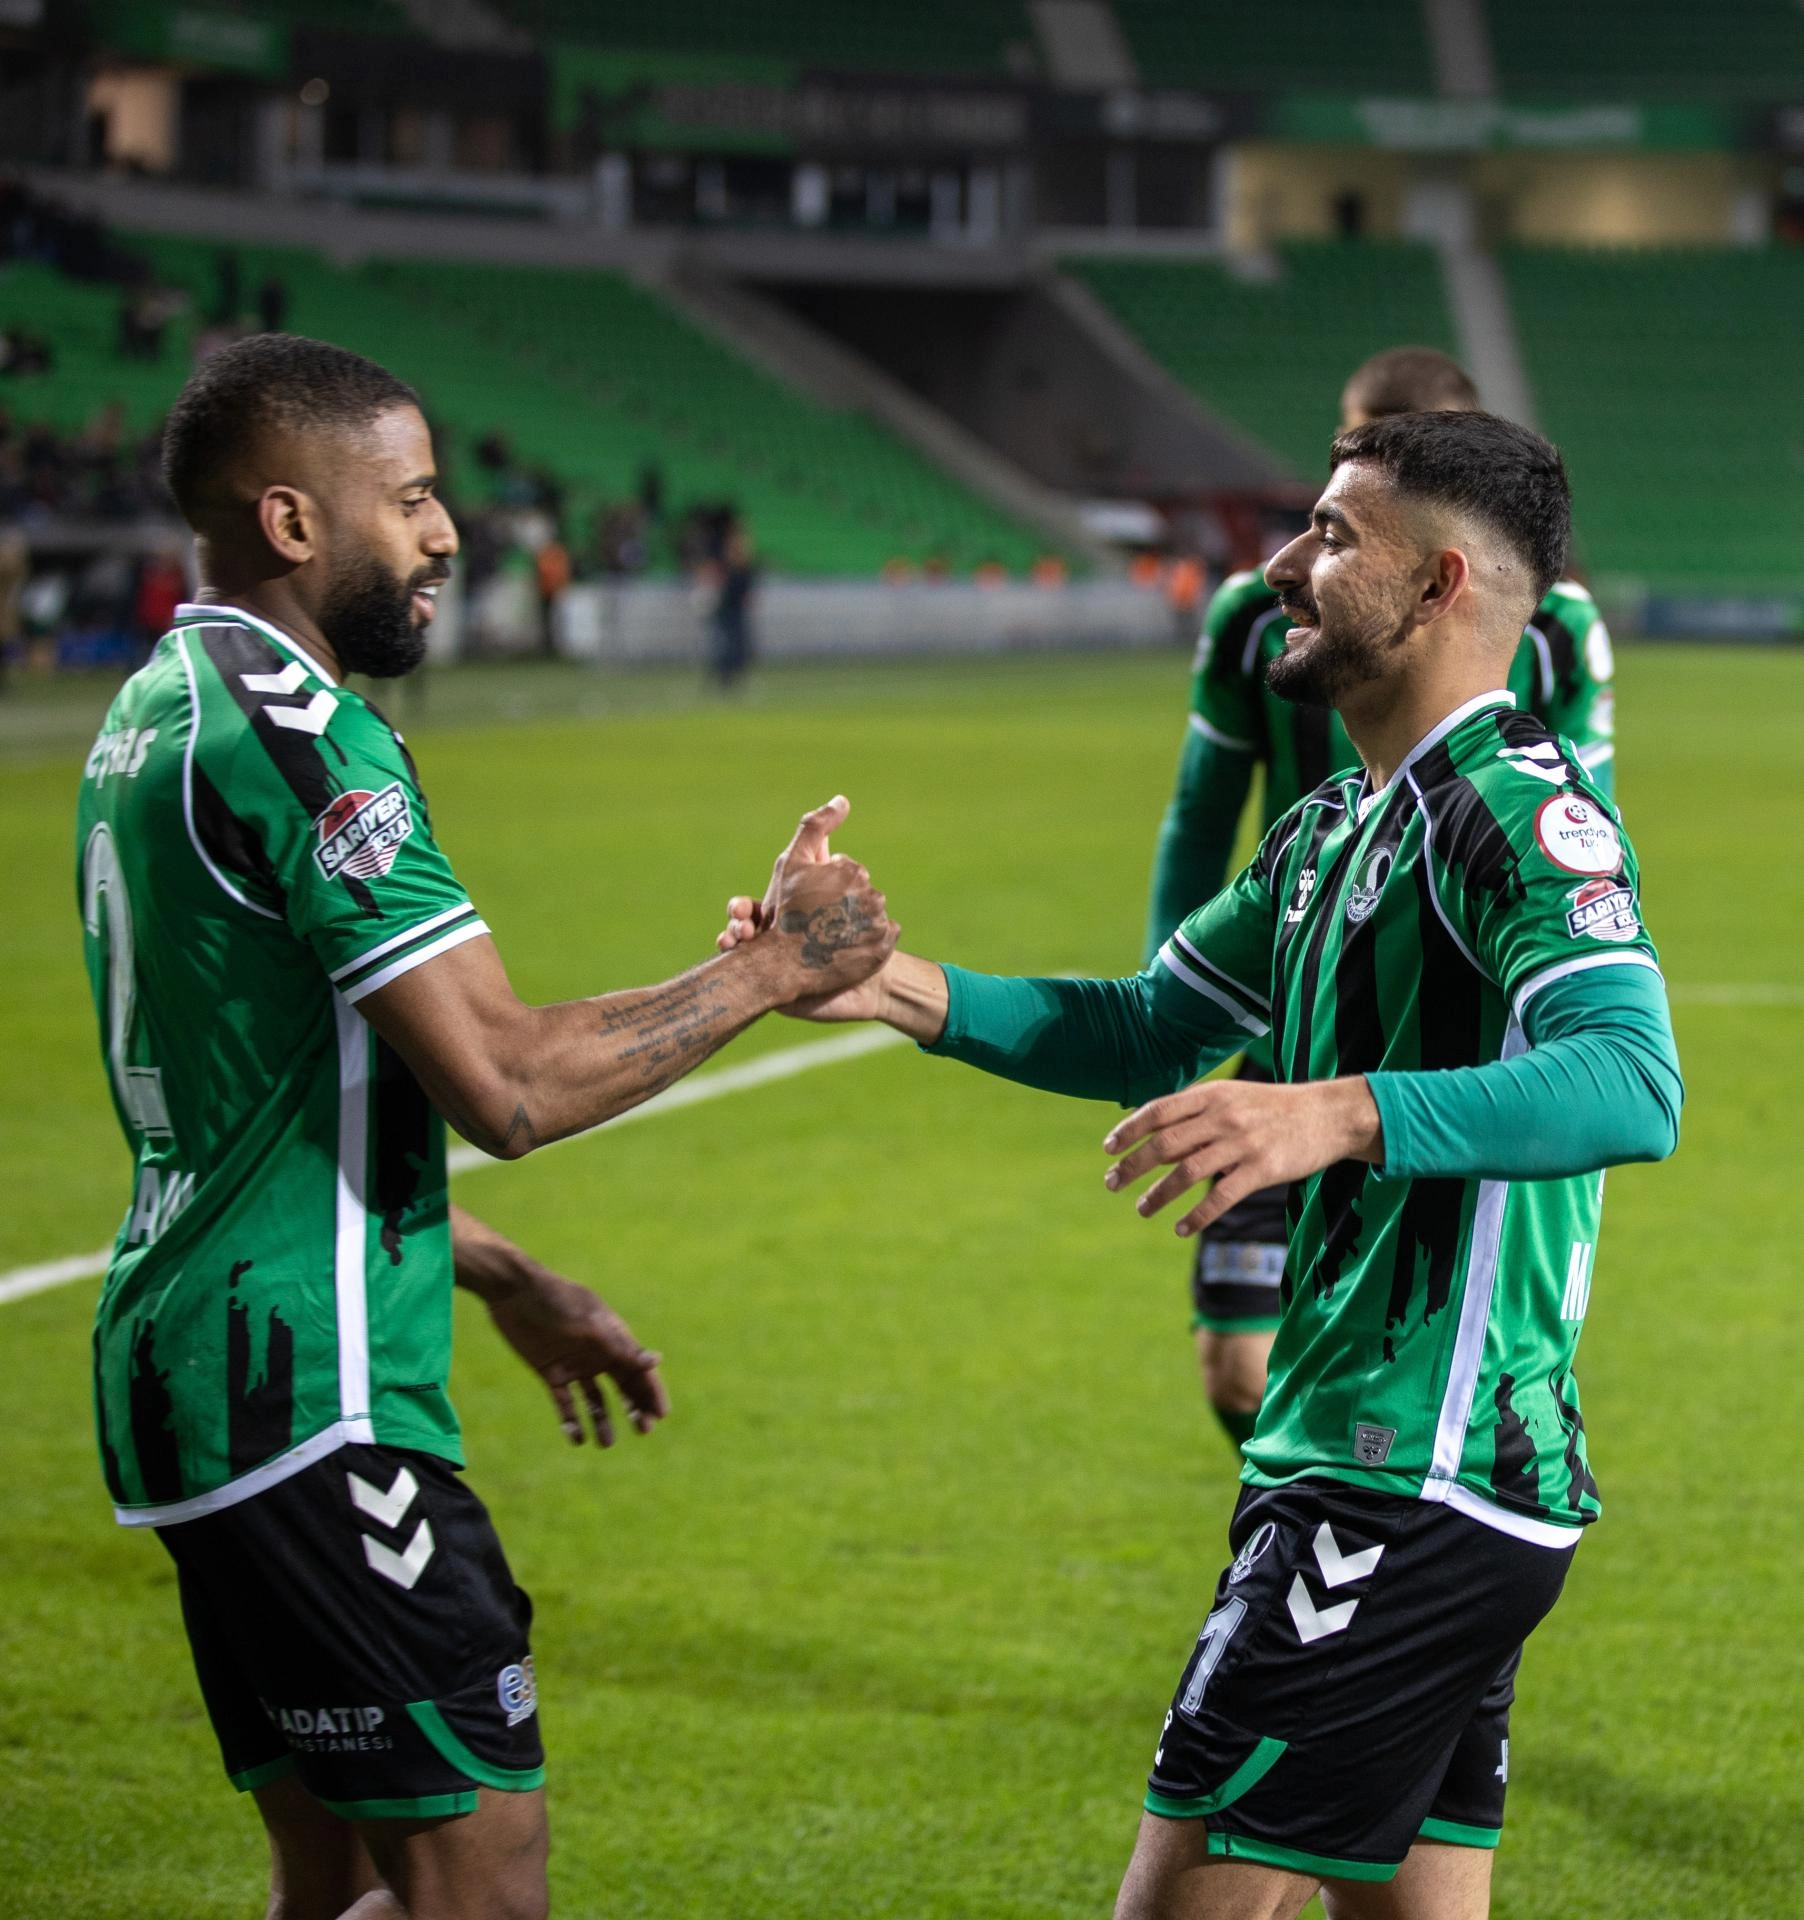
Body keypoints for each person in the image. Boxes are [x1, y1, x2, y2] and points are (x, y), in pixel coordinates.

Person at [721, 410, 1681, 1915]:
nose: (1284, 566)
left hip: (1403, 1476)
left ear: (1439, 586)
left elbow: (1633, 1080)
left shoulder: (1517, 814)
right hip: (1405, 1467)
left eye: (1333, 535)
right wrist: (885, 988)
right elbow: (1151, 1026)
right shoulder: (1330, 830)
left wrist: (1332, 1113)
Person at [75, 332, 896, 1920]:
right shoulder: (299, 734)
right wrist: (774, 968)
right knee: (479, 1888)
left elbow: (266, 1117)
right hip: (310, 1397)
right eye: (410, 498)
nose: (446, 532)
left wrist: (506, 1274)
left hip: (197, 1372)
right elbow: (507, 1083)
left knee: (335, 1872)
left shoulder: (154, 712)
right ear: (293, 520)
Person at [1146, 347, 1617, 1454]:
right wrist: (1174, 1014)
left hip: (1435, 1047)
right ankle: (1318, 1512)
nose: (1298, 555)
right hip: (1283, 1012)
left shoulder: (1548, 635)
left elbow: (1583, 840)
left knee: (1417, 1386)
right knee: (1240, 1365)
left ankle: (1376, 1515)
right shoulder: (1255, 622)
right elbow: (1200, 817)